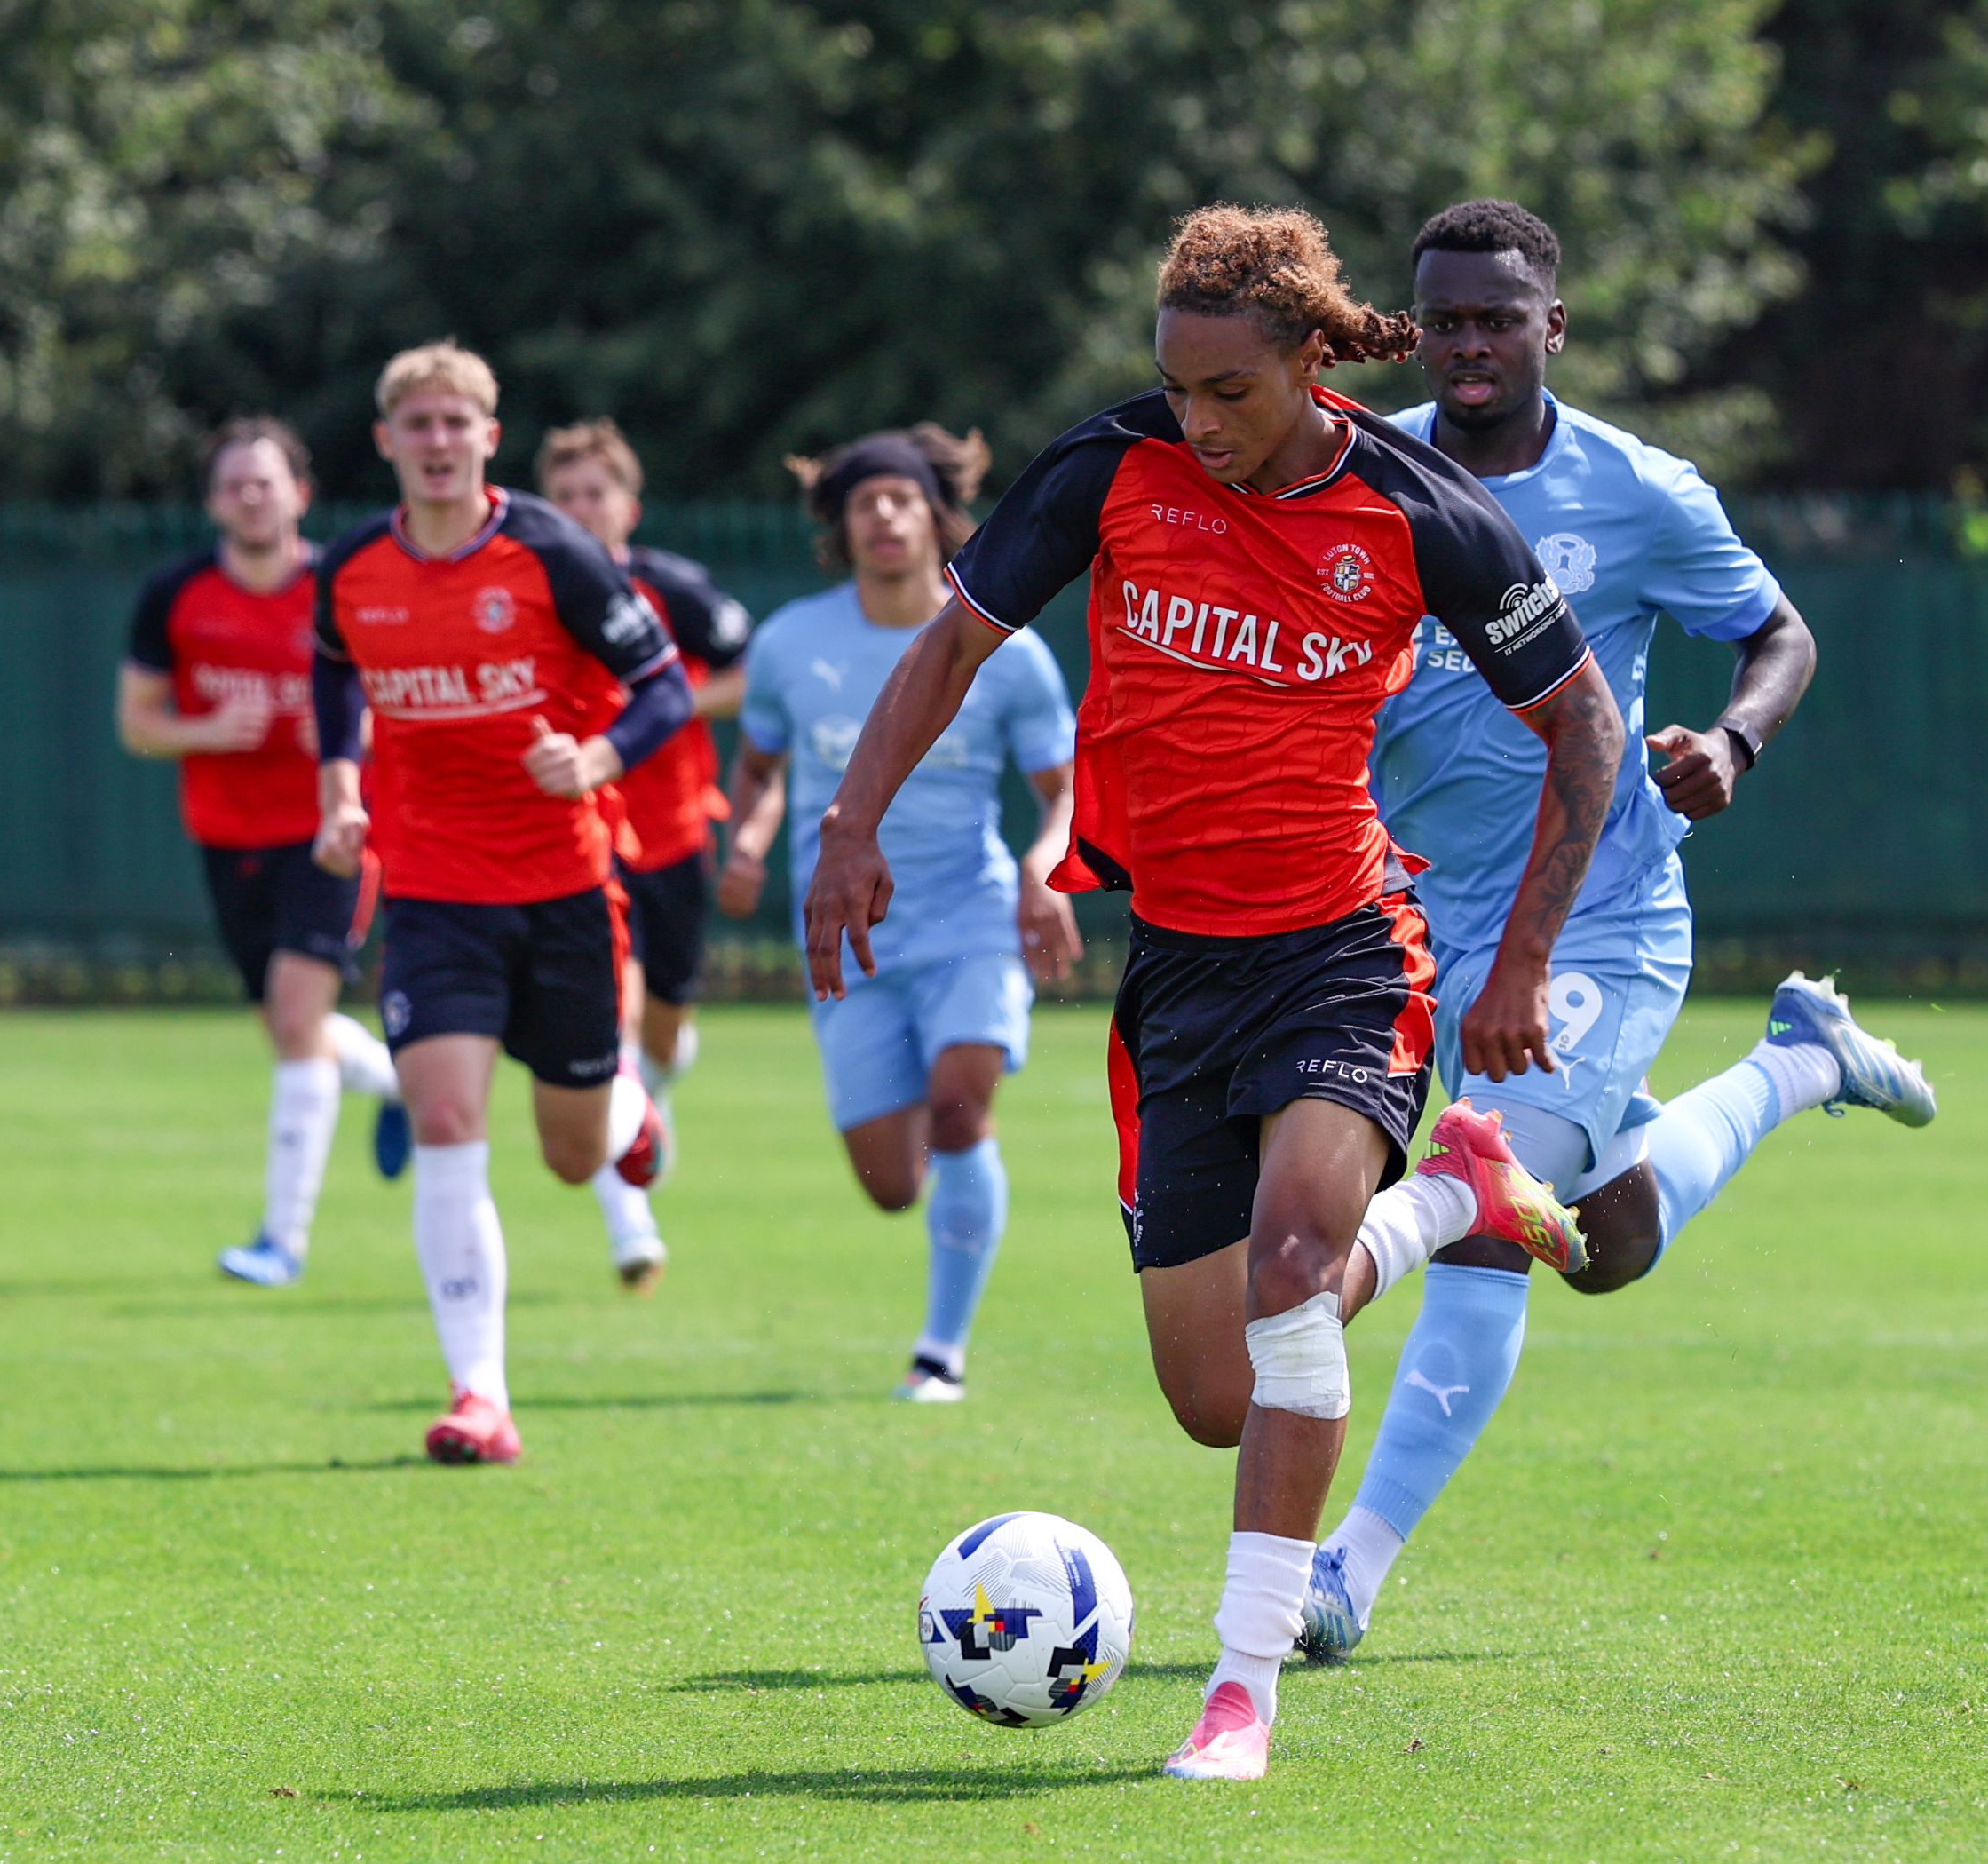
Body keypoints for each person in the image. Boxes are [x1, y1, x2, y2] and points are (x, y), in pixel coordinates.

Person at [803, 206, 1620, 1781]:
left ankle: (1238, 1688)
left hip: (1341, 947)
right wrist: (848, 830)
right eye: (1174, 390)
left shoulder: (1420, 509)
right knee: (1211, 1393)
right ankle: (1448, 1194)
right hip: (1172, 968)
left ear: (1312, 361)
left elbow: (1580, 730)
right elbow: (950, 646)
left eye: (1225, 393)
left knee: (1293, 1265)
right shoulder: (1105, 468)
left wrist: (1516, 957)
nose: (1195, 422)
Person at [1296, 199, 1939, 1662]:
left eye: (1494, 317)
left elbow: (1779, 632)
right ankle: (1798, 1064)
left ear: (1549, 326)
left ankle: (1347, 1569)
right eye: (1442, 318)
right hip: (1409, 915)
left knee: (1485, 1205)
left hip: (1600, 917)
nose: (1466, 343)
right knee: (1601, 1244)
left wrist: (1733, 740)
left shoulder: (1638, 489)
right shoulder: (1358, 469)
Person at [310, 342, 690, 1465]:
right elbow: (333, 667)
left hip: (564, 888)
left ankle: (628, 1113)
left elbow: (663, 682)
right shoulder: (352, 568)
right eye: (414, 423)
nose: (435, 441)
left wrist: (597, 754)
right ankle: (480, 1394)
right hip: (432, 891)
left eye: (454, 422)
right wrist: (341, 789)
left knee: (573, 1155)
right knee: (443, 1121)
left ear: (487, 435)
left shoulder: (552, 552)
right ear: (385, 440)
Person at [721, 424, 1079, 1401]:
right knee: (890, 1180)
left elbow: (1063, 788)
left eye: (901, 498)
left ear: (935, 516)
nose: (882, 514)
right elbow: (758, 768)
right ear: (839, 524)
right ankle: (929, 1110)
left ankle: (940, 1351)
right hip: (848, 936)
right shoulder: (791, 642)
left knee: (959, 1110)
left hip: (970, 914)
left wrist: (1044, 868)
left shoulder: (1006, 651)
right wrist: (750, 842)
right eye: (863, 500)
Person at [116, 416, 406, 1289]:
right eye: (234, 483)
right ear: (213, 501)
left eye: (266, 481)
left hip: (334, 829)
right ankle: (396, 1078)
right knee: (293, 1032)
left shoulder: (340, 587)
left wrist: (347, 729)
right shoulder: (175, 594)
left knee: (293, 1018)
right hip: (227, 837)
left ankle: (282, 1239)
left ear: (299, 494)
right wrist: (204, 726)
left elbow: (396, 690)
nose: (251, 496)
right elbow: (135, 723)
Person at [537, 419, 754, 1293]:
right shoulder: (533, 589)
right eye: (565, 496)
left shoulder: (670, 588)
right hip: (584, 837)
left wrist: (665, 702)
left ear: (627, 504)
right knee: (610, 1023)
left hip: (670, 832)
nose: (581, 509)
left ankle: (645, 1100)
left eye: (596, 493)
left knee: (664, 1026)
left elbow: (749, 669)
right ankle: (633, 1225)